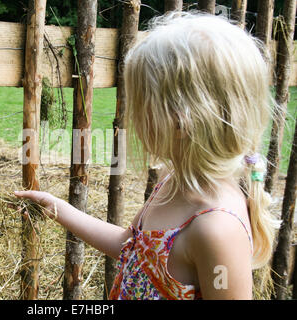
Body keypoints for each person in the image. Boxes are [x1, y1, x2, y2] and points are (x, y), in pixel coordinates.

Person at [15, 12, 281, 300]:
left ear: (180, 121)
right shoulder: (173, 181)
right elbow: (128, 245)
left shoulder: (216, 229)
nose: (131, 118)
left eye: (140, 106)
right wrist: (57, 208)